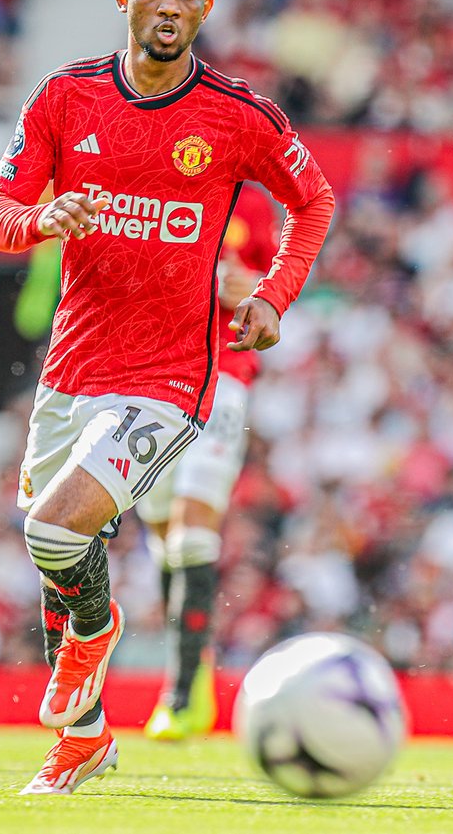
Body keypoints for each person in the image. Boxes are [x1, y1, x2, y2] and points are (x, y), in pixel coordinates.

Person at [0, 0, 335, 794]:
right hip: (70, 370)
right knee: (56, 564)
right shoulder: (66, 98)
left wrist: (273, 298)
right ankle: (86, 738)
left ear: (205, 6)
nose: (168, 5)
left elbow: (314, 201)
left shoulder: (237, 116)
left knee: (55, 527)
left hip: (170, 380)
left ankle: (111, 646)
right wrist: (40, 219)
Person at [137, 181, 277, 741]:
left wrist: (255, 292)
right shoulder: (147, 182)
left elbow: (273, 282)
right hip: (153, 376)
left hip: (224, 377)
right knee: (161, 531)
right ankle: (195, 662)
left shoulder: (251, 203)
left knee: (193, 532)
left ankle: (180, 688)